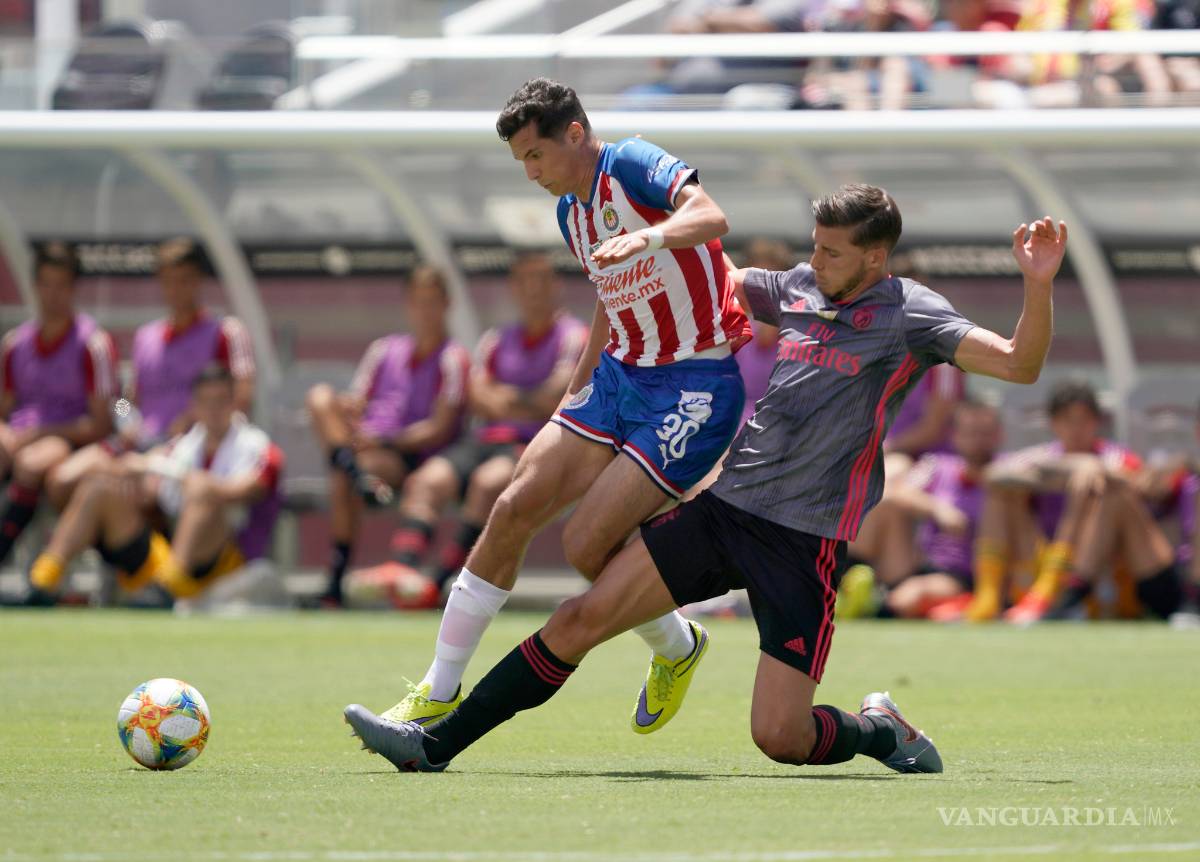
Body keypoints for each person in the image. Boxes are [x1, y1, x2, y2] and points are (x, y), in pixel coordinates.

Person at [343, 184, 1068, 774]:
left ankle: (879, 729)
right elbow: (707, 275)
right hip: (726, 511)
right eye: (814, 245)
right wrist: (636, 241)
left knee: (781, 737)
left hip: (803, 544)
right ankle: (434, 745)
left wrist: (1037, 285)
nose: (815, 261)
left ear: (875, 259)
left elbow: (1019, 363)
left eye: (832, 252)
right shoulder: (798, 286)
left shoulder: (910, 314)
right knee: (579, 618)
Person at [375, 77, 750, 736]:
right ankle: (438, 689)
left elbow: (712, 216)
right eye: (521, 160)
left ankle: (678, 644)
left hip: (693, 384)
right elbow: (611, 299)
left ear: (574, 134)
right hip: (618, 378)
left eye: (535, 155)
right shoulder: (570, 212)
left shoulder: (631, 162)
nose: (530, 172)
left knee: (585, 545)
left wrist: (647, 239)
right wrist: (576, 393)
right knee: (514, 505)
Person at [374, 251, 586, 594]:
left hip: (535, 444)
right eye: (525, 281)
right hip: (482, 439)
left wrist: (505, 399)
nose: (533, 289)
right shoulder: (496, 340)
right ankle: (402, 571)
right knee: (426, 481)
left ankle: (441, 583)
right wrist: (526, 400)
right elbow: (475, 395)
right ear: (513, 287)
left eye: (541, 280)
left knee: (487, 485)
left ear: (556, 285)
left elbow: (558, 397)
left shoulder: (574, 336)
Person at [24, 364, 283, 606]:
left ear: (234, 402)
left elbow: (245, 488)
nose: (213, 409)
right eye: (205, 401)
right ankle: (42, 582)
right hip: (144, 450)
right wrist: (134, 463)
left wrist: (173, 473)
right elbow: (122, 405)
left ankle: (167, 586)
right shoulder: (143, 370)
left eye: (220, 401)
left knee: (202, 489)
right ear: (194, 405)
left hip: (222, 559)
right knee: (94, 482)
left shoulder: (257, 446)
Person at [45, 237, 256, 510]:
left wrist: (193, 419)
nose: (176, 290)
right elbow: (124, 401)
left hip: (190, 448)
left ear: (198, 282)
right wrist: (125, 420)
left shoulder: (226, 332)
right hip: (140, 443)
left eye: (184, 280)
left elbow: (242, 398)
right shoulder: (146, 337)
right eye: (169, 281)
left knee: (137, 489)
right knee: (63, 480)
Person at [306, 265, 470, 606]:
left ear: (446, 305)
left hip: (409, 455)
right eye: (418, 302)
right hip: (367, 445)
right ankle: (356, 474)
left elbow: (440, 428)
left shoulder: (453, 357)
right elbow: (359, 401)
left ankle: (335, 582)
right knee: (320, 397)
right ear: (408, 305)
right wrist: (348, 410)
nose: (425, 311)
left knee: (344, 476)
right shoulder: (383, 349)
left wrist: (382, 441)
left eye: (432, 302)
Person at [961, 381, 1152, 624]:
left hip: (1098, 566)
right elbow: (992, 475)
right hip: (1041, 557)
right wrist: (1063, 472)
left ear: (1097, 422)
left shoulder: (1114, 456)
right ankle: (987, 597)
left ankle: (1057, 591)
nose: (1076, 429)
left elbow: (1142, 486)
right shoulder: (1042, 456)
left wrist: (1091, 471)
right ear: (1053, 424)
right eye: (1067, 421)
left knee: (1090, 484)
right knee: (1001, 494)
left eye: (1083, 420)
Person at [0, 241, 118, 571]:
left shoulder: (94, 343)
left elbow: (108, 418)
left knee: (32, 463)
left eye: (62, 285)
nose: (53, 295)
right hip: (20, 438)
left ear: (74, 288)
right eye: (46, 284)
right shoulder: (14, 344)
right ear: (35, 286)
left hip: (69, 441)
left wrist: (38, 433)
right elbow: (4, 409)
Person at [848, 401, 1000, 619]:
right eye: (971, 433)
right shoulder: (938, 465)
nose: (978, 441)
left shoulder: (1006, 472)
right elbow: (897, 490)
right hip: (921, 561)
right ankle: (844, 579)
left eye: (985, 433)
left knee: (911, 597)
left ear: (998, 435)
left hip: (963, 573)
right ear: (955, 436)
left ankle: (871, 602)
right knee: (883, 502)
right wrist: (937, 509)